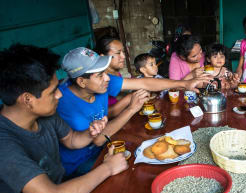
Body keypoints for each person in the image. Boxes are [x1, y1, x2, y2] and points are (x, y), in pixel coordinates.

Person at [0, 44, 128, 193]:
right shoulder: (4, 144)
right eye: (52, 92)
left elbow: (71, 140)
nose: (59, 95)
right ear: (27, 99)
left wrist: (90, 132)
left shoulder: (44, 116)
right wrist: (108, 167)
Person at [57, 47, 210, 177]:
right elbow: (98, 139)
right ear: (81, 82)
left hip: (108, 147)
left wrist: (185, 84)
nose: (107, 78)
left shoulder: (99, 83)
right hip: (82, 165)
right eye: (100, 75)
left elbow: (144, 82)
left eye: (105, 72)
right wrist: (131, 108)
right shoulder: (64, 102)